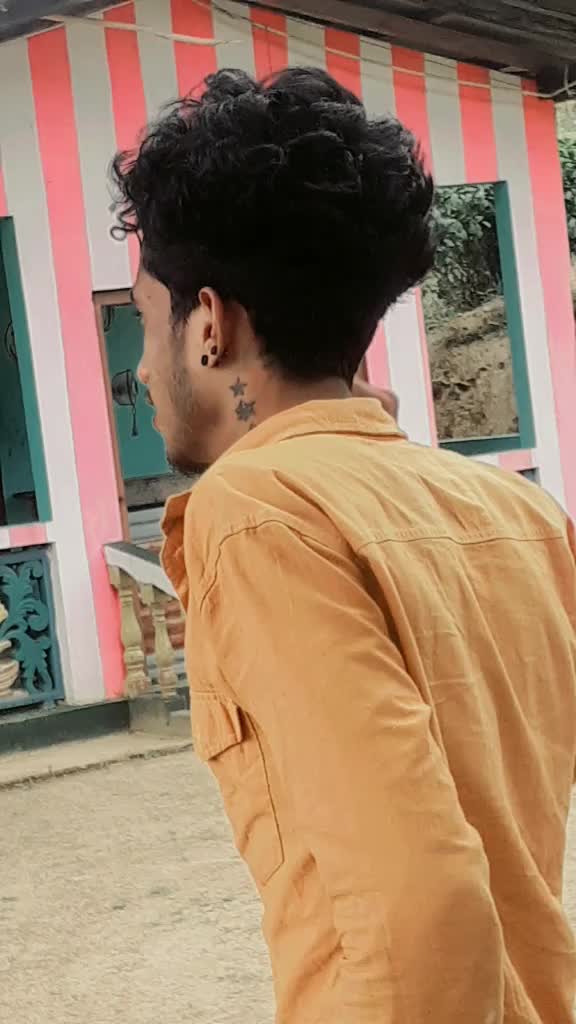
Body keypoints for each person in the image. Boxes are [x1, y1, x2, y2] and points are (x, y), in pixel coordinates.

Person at [112, 67, 576, 1023]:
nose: (142, 369)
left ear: (210, 325)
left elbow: (420, 903)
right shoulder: (517, 511)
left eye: (146, 323)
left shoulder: (257, 513)